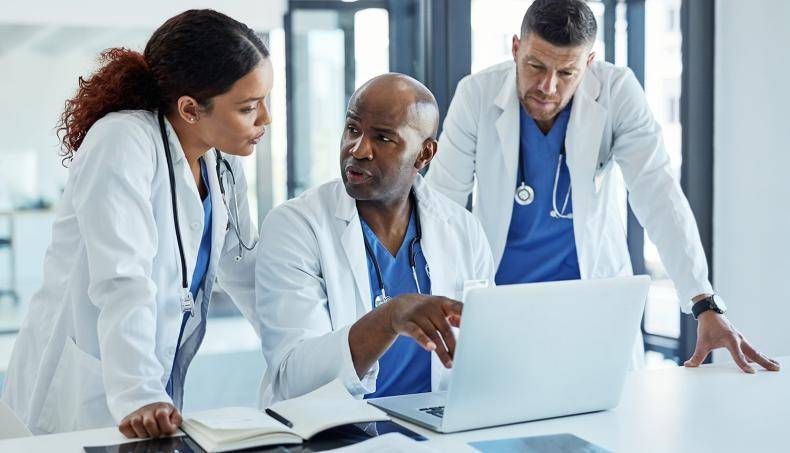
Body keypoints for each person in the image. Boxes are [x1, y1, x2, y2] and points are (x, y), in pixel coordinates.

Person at [426, 0, 779, 372]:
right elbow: (440, 205)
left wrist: (703, 302)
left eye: (566, 72)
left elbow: (658, 193)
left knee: (607, 425)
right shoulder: (477, 95)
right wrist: (424, 299)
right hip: (502, 305)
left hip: (592, 306)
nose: (548, 86)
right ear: (516, 48)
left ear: (589, 63)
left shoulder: (616, 91)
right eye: (535, 66)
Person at [2, 9, 271, 437]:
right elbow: (121, 278)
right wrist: (139, 392)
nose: (265, 120)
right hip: (89, 383)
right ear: (190, 108)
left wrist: (306, 350)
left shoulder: (221, 163)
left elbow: (246, 270)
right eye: (249, 107)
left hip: (151, 384)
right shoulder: (122, 141)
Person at [255, 73, 495, 404]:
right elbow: (293, 377)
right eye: (353, 129)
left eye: (383, 138)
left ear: (424, 154)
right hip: (335, 434)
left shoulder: (463, 230)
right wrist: (389, 318)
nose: (358, 149)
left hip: (432, 430)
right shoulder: (296, 225)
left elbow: (483, 352)